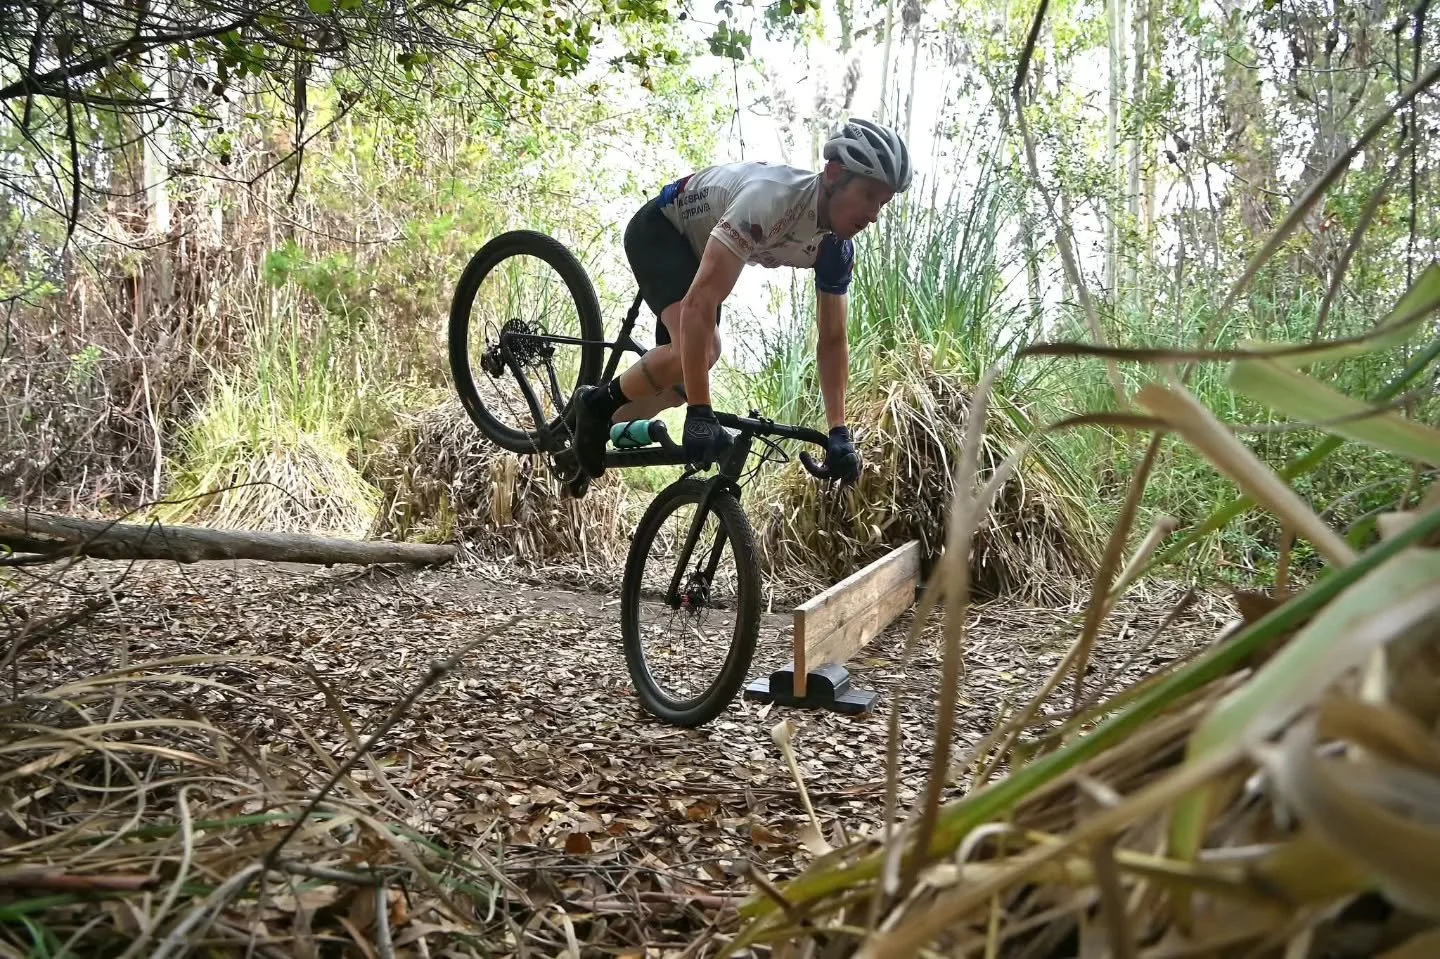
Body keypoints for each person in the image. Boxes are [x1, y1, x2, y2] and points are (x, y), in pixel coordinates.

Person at [569, 117, 913, 492]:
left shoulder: (835, 249)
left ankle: (580, 432)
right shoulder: (771, 200)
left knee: (680, 385)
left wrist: (839, 431)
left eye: (883, 202)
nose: (874, 214)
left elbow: (832, 340)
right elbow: (700, 302)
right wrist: (701, 413)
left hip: (700, 253)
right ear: (833, 173)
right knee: (702, 351)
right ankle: (596, 405)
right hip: (663, 228)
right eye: (868, 195)